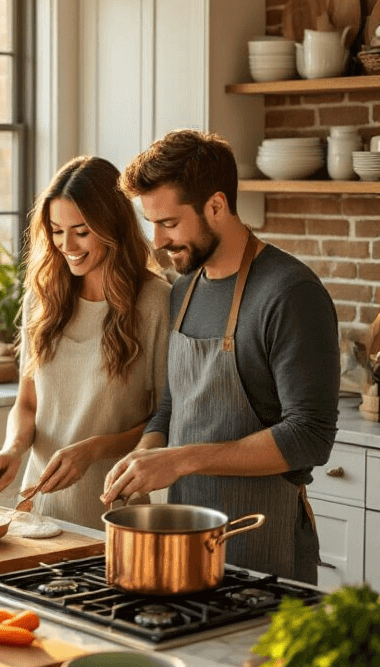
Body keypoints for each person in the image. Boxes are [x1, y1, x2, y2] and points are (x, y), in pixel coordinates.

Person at [102, 129, 340, 584]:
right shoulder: (184, 289)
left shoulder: (290, 293)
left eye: (169, 223)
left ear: (216, 206)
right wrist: (145, 456)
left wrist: (182, 460)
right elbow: (175, 406)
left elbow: (310, 436)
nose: (157, 241)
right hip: (186, 541)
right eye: (152, 223)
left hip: (264, 541)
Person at [0, 156, 171, 530]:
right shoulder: (42, 297)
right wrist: (14, 448)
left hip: (112, 513)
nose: (66, 245)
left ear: (111, 226)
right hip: (35, 507)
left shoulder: (154, 301)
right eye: (56, 230)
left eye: (81, 231)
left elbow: (163, 420)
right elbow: (27, 403)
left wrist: (93, 449)